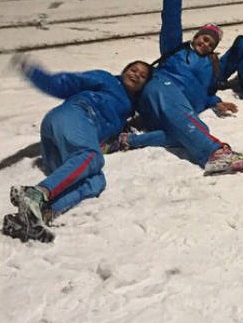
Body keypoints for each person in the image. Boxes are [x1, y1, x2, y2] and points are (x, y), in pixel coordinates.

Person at [122, 0, 243, 174]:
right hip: (159, 92)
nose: (205, 43)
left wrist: (215, 101)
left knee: (196, 128)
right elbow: (171, 16)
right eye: (204, 37)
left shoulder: (210, 68)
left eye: (211, 43)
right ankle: (214, 153)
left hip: (179, 113)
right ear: (196, 37)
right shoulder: (175, 48)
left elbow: (204, 92)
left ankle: (130, 141)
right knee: (190, 125)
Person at [3, 56, 152, 243]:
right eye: (133, 69)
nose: (136, 75)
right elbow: (66, 83)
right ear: (124, 71)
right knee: (92, 157)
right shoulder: (107, 80)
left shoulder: (125, 113)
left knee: (96, 180)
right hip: (73, 115)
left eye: (143, 75)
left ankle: (39, 215)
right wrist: (34, 73)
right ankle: (35, 195)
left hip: (65, 141)